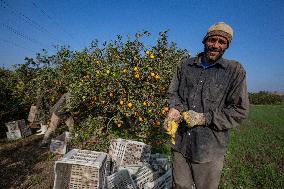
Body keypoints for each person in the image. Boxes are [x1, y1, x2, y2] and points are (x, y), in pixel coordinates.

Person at [165, 22, 249, 189]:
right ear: (204, 40)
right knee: (180, 186)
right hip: (180, 143)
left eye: (222, 42)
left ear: (227, 46)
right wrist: (175, 109)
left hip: (208, 149)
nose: (216, 45)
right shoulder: (185, 65)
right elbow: (173, 94)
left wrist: (204, 118)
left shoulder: (234, 71)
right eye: (212, 40)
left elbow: (239, 111)